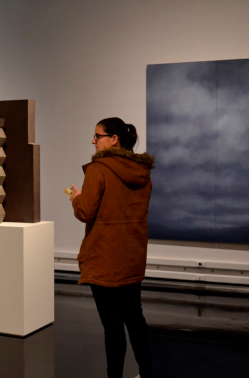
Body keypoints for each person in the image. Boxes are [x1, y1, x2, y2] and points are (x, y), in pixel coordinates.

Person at [69, 117, 154, 378]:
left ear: (114, 139)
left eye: (98, 136)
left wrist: (76, 199)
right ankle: (148, 374)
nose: (93, 141)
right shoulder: (141, 172)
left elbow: (86, 212)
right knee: (135, 319)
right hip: (132, 257)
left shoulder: (99, 169)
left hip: (105, 258)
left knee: (113, 325)